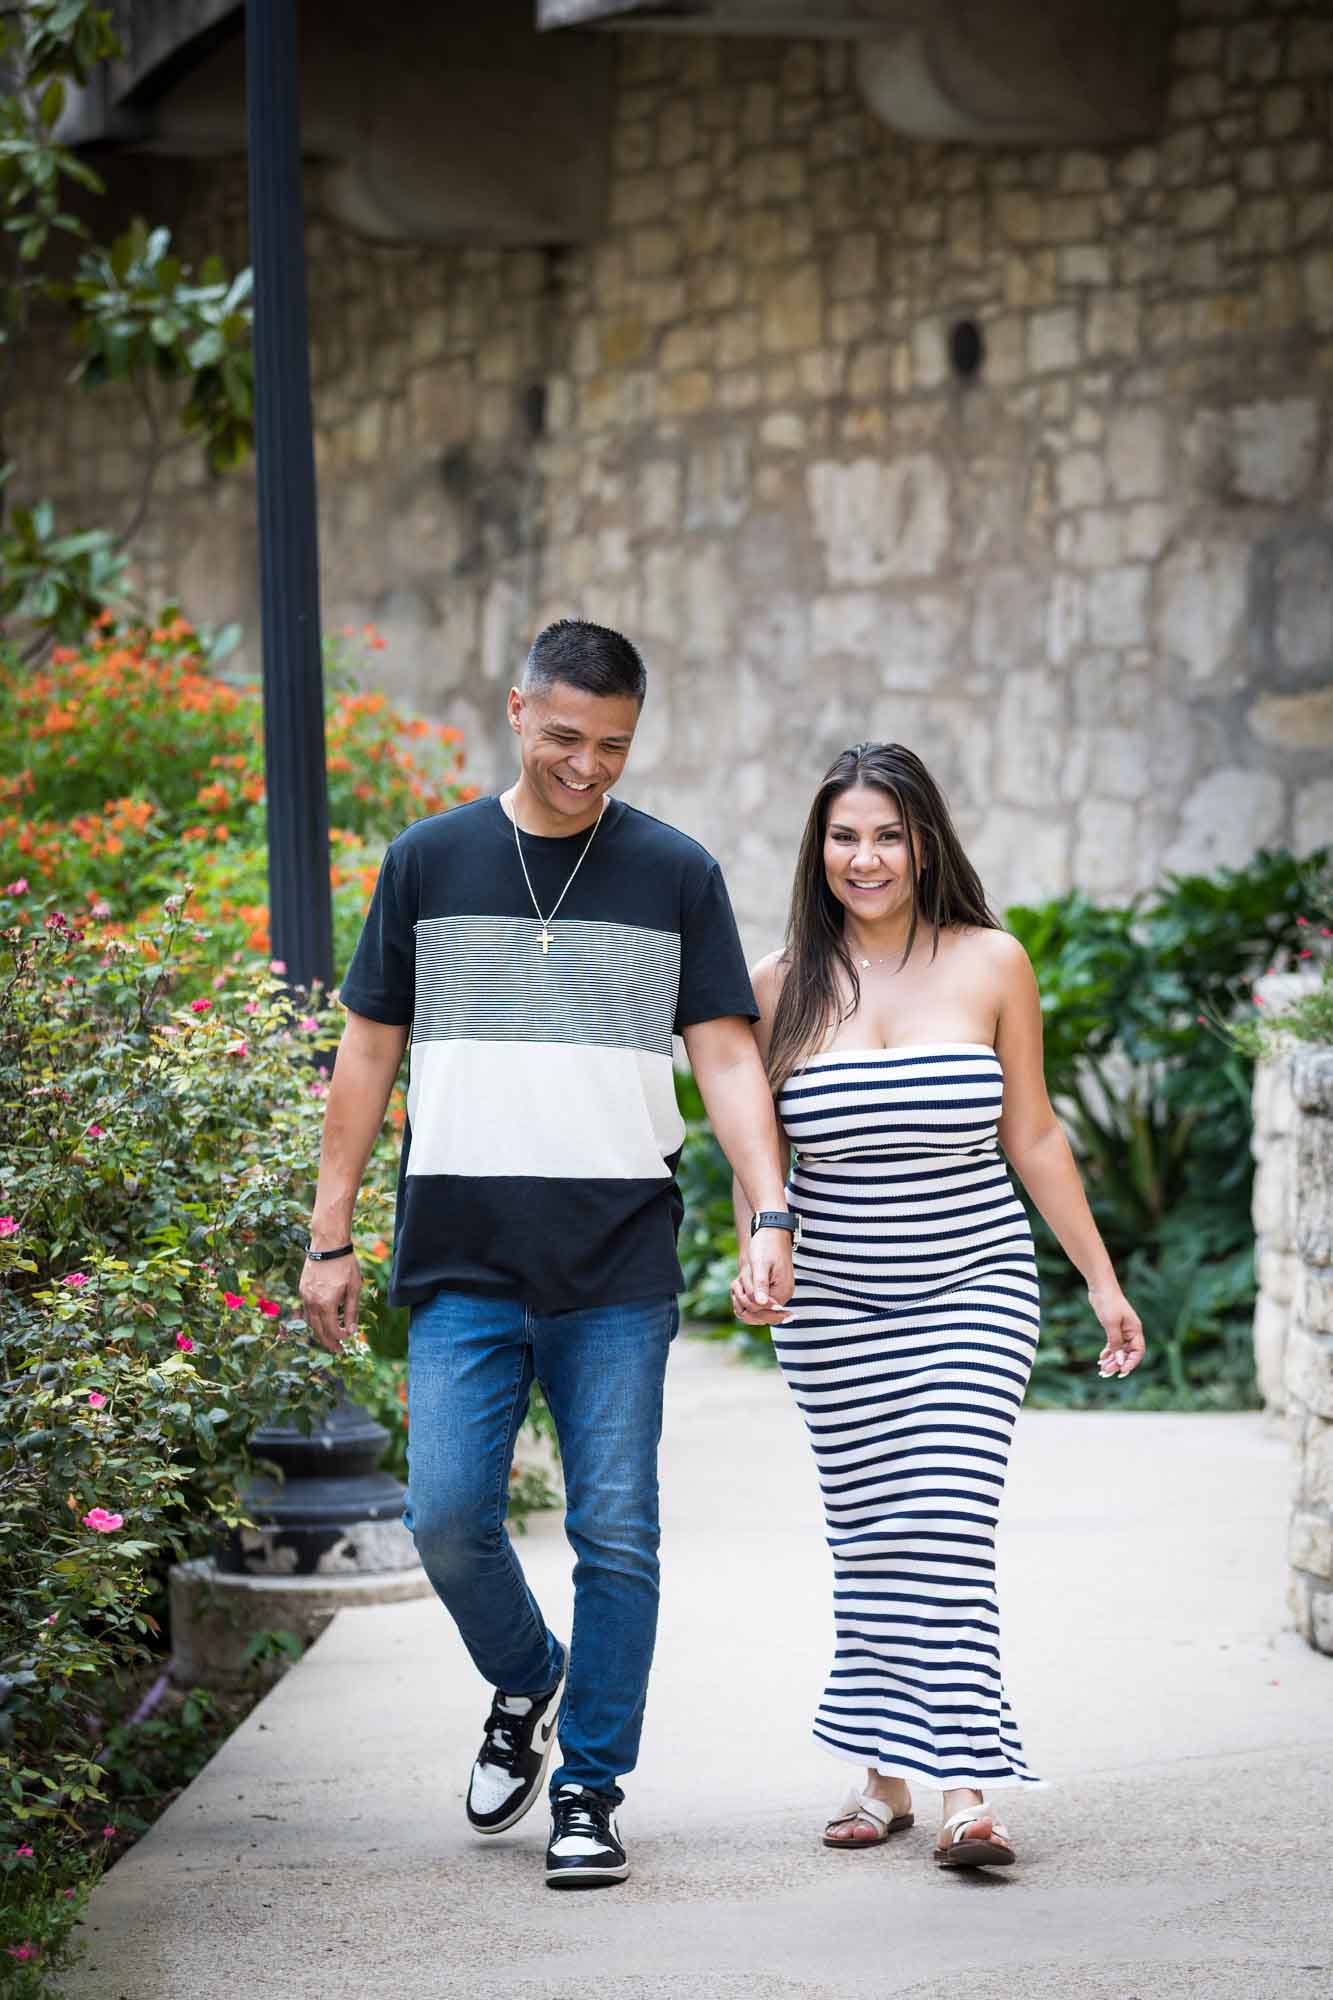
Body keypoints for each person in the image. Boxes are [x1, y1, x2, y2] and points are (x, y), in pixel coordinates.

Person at [300, 619, 796, 1890]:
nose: (588, 766)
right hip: (461, 1250)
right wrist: (331, 1228)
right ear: (516, 710)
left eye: (615, 747)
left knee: (616, 1530)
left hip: (616, 1258)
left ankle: (589, 1785)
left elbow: (727, 1050)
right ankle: (527, 1676)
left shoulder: (674, 870)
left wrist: (768, 1204)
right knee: (449, 1515)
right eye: (566, 737)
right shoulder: (428, 859)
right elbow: (366, 1050)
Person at [730, 741, 1144, 1871]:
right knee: (871, 1536)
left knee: (947, 1529)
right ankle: (881, 1775)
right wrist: (757, 1258)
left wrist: (1101, 1281)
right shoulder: (775, 984)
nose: (865, 856)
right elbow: (753, 1151)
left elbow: (1035, 1132)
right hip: (834, 1309)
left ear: (924, 843)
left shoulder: (991, 961)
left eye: (887, 834)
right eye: (844, 834)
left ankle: (964, 1786)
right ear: (818, 848)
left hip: (973, 1286)